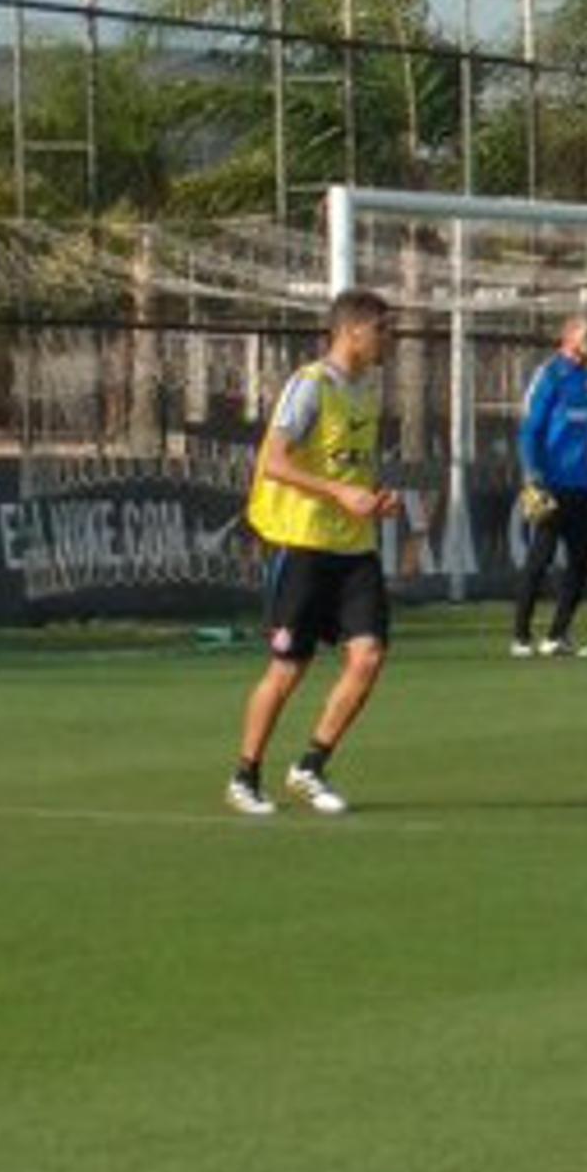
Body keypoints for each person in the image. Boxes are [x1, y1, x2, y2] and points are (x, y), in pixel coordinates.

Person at [230, 289, 401, 816]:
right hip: (304, 545)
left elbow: (348, 470)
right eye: (382, 329)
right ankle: (245, 776)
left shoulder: (366, 391)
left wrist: (373, 499)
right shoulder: (310, 387)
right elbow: (274, 462)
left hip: (355, 547)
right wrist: (338, 494)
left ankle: (311, 765)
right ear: (352, 331)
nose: (387, 339)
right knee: (288, 669)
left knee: (368, 656)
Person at [510, 315, 587, 658]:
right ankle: (520, 635)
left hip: (585, 485)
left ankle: (556, 635)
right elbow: (530, 429)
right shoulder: (550, 375)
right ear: (569, 338)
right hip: (552, 483)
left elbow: (586, 432)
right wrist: (532, 475)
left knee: (582, 561)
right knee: (540, 558)